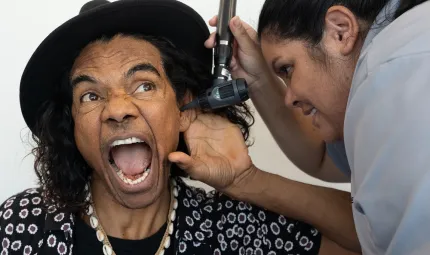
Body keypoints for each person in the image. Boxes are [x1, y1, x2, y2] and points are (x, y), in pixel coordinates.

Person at [0, 0, 359, 254]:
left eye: (144, 85)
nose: (118, 109)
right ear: (73, 127)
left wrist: (246, 181)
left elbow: (378, 241)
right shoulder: (19, 225)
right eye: (91, 96)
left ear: (184, 108)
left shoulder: (232, 228)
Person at [170, 0, 430, 254]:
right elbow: (325, 157)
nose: (289, 97)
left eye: (287, 69)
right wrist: (259, 79)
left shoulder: (391, 76)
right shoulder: (405, 46)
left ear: (340, 31)